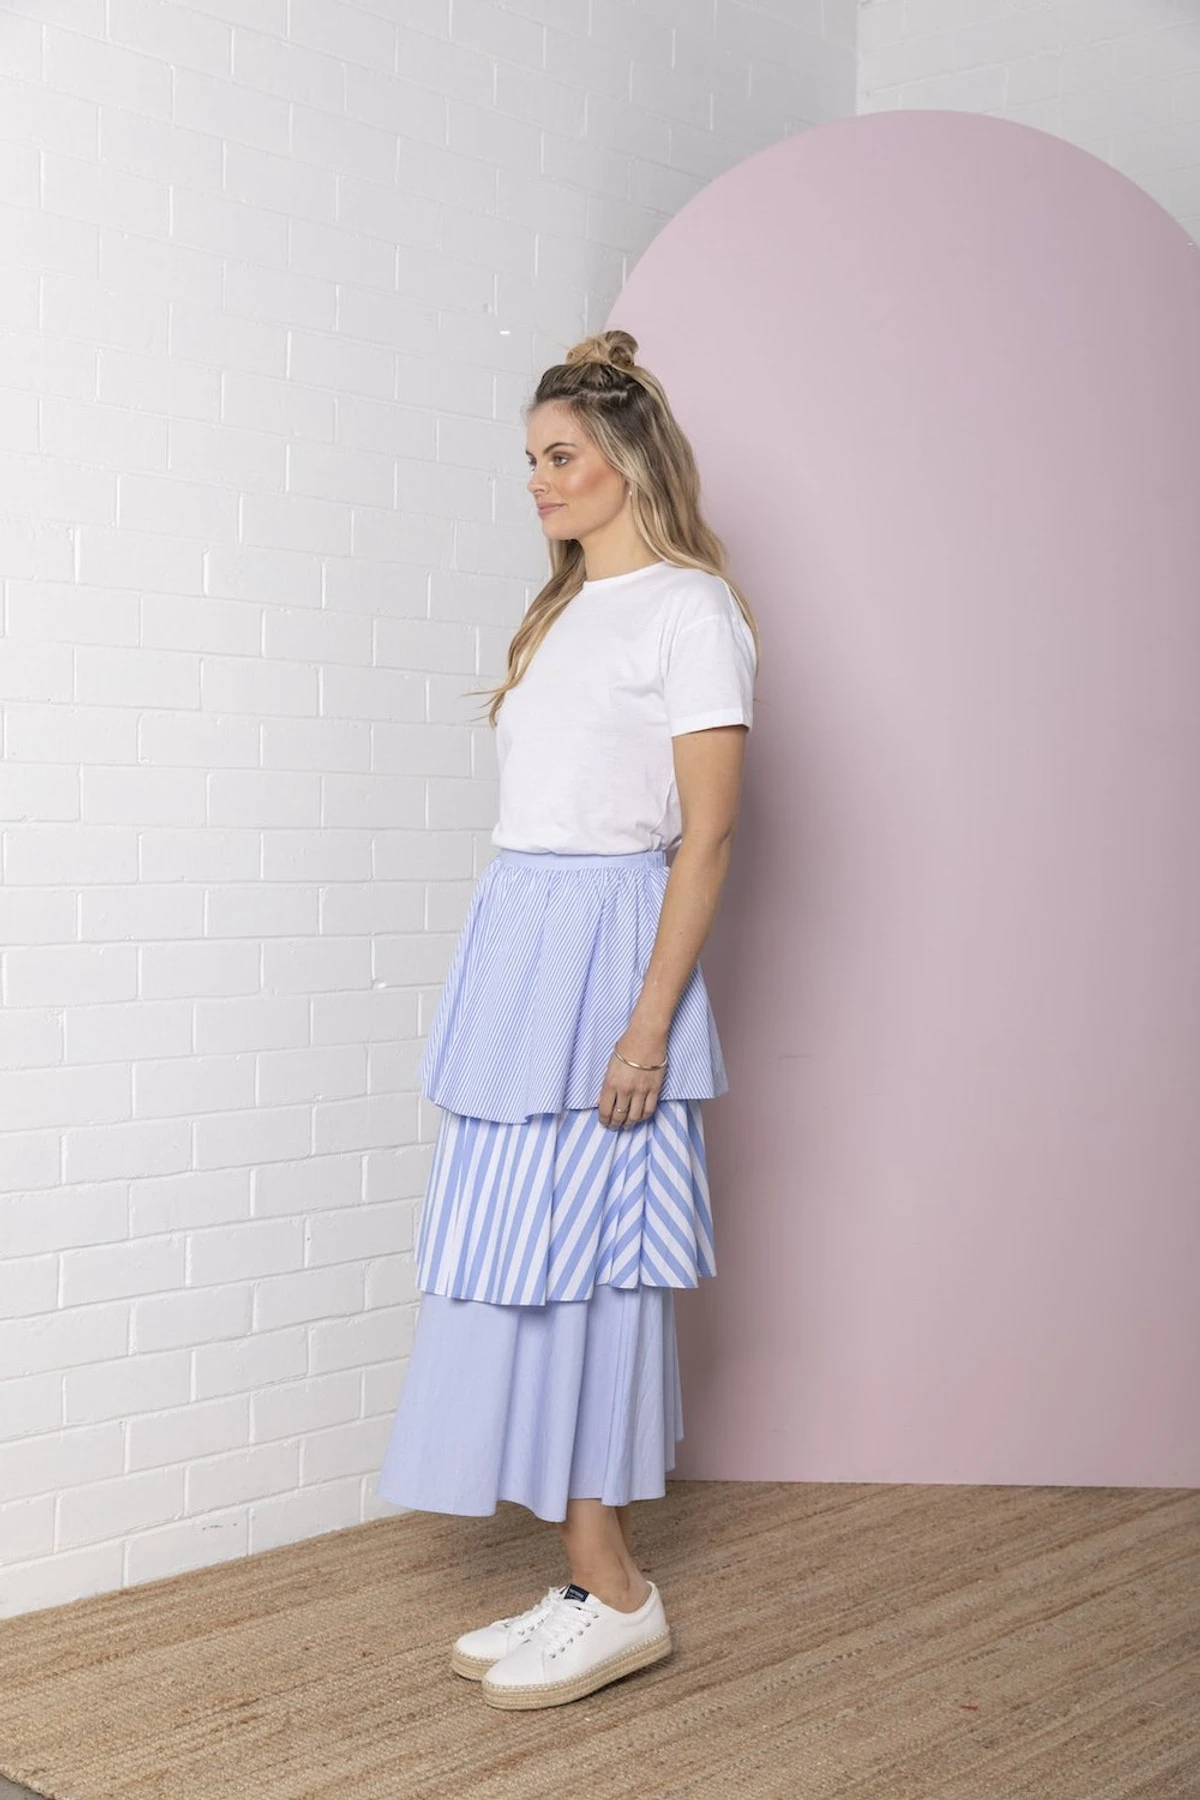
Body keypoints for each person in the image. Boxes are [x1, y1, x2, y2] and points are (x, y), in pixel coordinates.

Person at [376, 327, 760, 1711]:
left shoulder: (690, 612)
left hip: (609, 965)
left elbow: (707, 837)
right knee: (514, 1256)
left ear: (629, 463)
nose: (537, 481)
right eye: (530, 460)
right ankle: (590, 1577)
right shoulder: (560, 611)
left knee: (595, 1267)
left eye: (561, 456)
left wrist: (648, 1026)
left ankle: (615, 1589)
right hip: (521, 953)